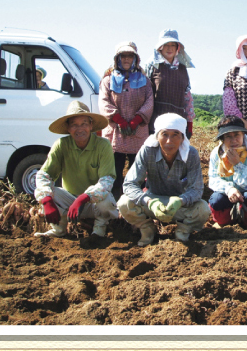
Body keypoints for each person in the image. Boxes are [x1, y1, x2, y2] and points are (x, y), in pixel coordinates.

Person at [118, 113, 211, 246]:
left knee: (202, 209)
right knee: (124, 203)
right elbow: (129, 184)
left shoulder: (191, 154)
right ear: (157, 136)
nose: (169, 141)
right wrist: (149, 202)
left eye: (175, 135)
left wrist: (180, 200)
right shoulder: (147, 151)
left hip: (179, 205)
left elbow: (196, 189)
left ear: (182, 137)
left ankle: (183, 231)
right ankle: (147, 229)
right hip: (153, 201)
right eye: (164, 134)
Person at [34, 101, 118, 238]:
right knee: (46, 192)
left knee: (107, 199)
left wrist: (84, 198)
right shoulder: (61, 145)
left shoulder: (103, 145)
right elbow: (44, 175)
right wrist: (47, 200)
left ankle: (100, 228)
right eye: (74, 125)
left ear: (91, 126)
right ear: (68, 128)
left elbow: (106, 181)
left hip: (93, 203)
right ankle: (58, 229)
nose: (80, 129)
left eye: (84, 124)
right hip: (70, 200)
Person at [98, 41, 154, 200]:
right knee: (114, 167)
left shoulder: (144, 80)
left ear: (136, 58)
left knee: (137, 167)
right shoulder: (108, 80)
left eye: (130, 56)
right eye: (124, 56)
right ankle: (114, 199)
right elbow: (103, 101)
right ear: (117, 58)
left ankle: (134, 200)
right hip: (116, 131)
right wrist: (119, 120)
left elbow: (149, 101)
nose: (127, 59)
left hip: (138, 131)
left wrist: (137, 119)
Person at [208, 116, 247, 229]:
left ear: (243, 135)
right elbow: (213, 179)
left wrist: (238, 165)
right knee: (216, 200)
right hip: (228, 194)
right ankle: (224, 223)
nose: (233, 140)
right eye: (228, 136)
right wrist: (229, 189)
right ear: (222, 139)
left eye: (237, 135)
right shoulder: (217, 153)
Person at [144, 29, 195, 138]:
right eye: (166, 44)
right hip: (156, 121)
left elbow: (187, 96)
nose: (169, 48)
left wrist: (189, 122)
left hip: (178, 121)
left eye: (173, 45)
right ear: (160, 47)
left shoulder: (182, 68)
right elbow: (145, 94)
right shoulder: (152, 66)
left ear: (177, 47)